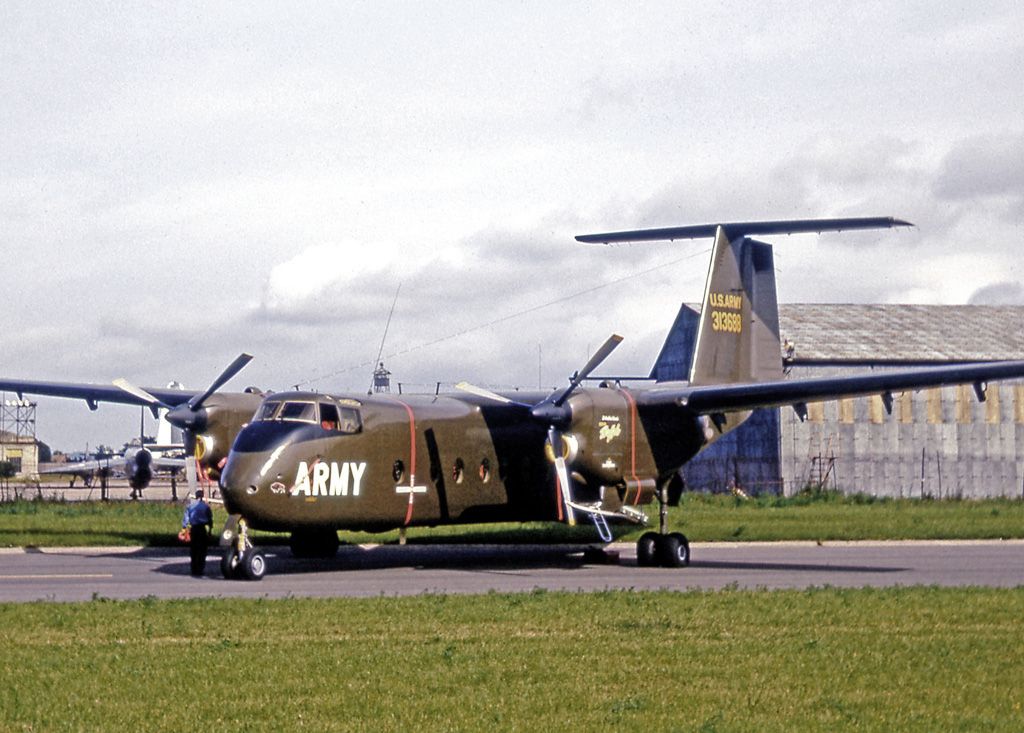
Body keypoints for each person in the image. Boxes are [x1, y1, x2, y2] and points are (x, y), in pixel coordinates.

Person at [182, 489, 214, 577]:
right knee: (202, 550)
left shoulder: (190, 506)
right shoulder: (206, 507)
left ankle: (194, 568)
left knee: (194, 549)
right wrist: (210, 530)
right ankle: (200, 568)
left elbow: (186, 519)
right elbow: (210, 519)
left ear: (196, 497)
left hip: (194, 529)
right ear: (202, 496)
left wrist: (184, 528)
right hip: (202, 529)